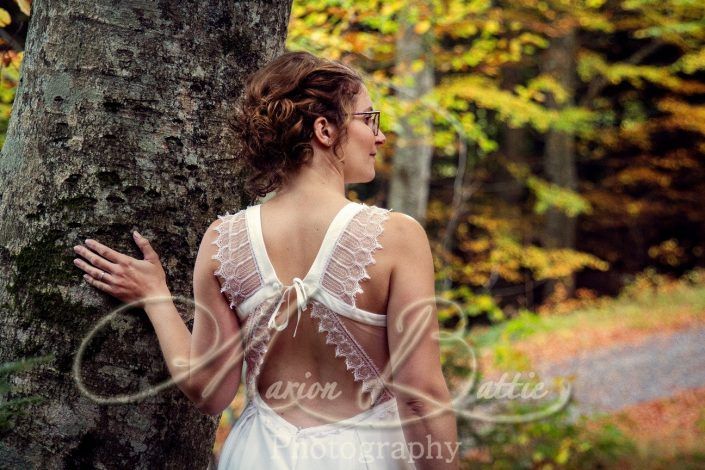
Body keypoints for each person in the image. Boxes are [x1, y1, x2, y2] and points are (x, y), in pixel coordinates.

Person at [72, 51, 459, 469]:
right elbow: (419, 395)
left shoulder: (224, 241)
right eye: (369, 119)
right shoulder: (398, 237)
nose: (380, 137)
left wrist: (156, 298)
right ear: (325, 130)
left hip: (259, 455)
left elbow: (210, 390)